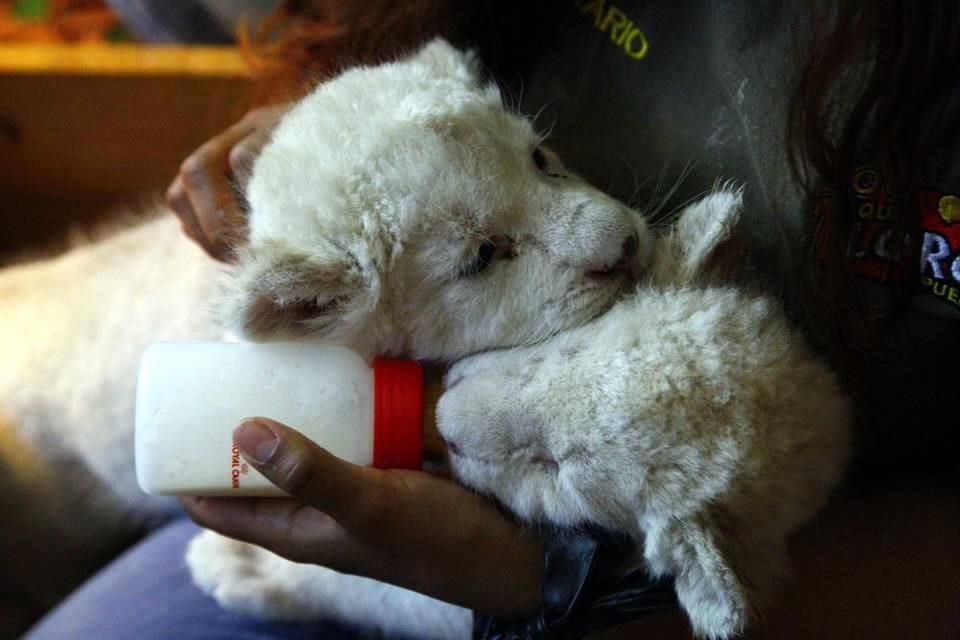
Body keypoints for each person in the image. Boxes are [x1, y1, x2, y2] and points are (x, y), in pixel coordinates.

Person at [26, 1, 960, 638]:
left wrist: (545, 590)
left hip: (671, 585)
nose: (611, 231)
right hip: (341, 429)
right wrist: (346, 134)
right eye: (486, 254)